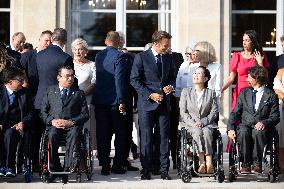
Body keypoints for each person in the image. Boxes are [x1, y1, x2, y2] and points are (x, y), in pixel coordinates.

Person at [130, 30, 175, 180]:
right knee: (147, 138)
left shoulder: (169, 58)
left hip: (164, 104)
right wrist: (150, 94)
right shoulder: (141, 57)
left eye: (168, 45)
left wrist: (171, 86)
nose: (167, 48)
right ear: (155, 43)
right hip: (146, 104)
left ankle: (163, 170)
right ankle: (146, 169)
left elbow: (172, 78)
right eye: (165, 45)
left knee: (163, 138)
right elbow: (134, 80)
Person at [40, 66, 89, 183]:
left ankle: (67, 168)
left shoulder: (78, 93)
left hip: (72, 126)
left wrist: (71, 122)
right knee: (51, 136)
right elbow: (43, 112)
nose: (70, 78)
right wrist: (52, 121)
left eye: (72, 76)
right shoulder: (50, 91)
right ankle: (55, 168)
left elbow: (85, 114)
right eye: (67, 76)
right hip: (54, 125)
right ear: (58, 77)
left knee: (74, 135)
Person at [227, 66, 279, 174]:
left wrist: (264, 122)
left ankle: (257, 163)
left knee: (258, 132)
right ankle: (245, 163)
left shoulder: (271, 95)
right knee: (243, 131)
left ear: (257, 79)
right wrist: (230, 128)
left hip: (263, 128)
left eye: (249, 77)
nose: (247, 79)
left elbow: (275, 116)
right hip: (245, 124)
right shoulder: (244, 93)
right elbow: (235, 112)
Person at [92, 31, 129, 175]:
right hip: (114, 100)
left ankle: (105, 165)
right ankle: (117, 165)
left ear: (106, 41)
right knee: (120, 133)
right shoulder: (120, 56)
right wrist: (121, 100)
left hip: (100, 99)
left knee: (103, 134)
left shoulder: (99, 56)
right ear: (118, 41)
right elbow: (119, 79)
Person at [179, 66, 218, 174]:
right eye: (195, 73)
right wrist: (194, 123)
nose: (195, 75)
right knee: (197, 131)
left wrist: (204, 122)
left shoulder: (211, 93)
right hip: (190, 124)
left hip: (207, 123)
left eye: (199, 73)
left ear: (205, 79)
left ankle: (209, 162)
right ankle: (202, 163)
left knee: (206, 131)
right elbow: (183, 112)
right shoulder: (186, 92)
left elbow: (214, 111)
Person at [221, 30, 270, 110]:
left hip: (255, 92)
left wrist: (260, 62)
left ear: (253, 42)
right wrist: (221, 89)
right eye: (243, 40)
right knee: (237, 118)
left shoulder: (260, 55)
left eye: (247, 40)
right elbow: (231, 78)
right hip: (240, 91)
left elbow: (265, 78)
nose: (244, 43)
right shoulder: (237, 56)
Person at [0, 66, 34, 177]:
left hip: (17, 127)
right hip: (1, 125)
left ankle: (9, 166)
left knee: (10, 134)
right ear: (10, 82)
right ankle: (1, 165)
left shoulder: (25, 93)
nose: (22, 82)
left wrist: (23, 122)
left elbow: (31, 113)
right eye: (20, 80)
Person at [71, 38, 96, 150]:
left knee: (86, 126)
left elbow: (94, 83)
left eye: (80, 49)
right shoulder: (69, 64)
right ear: (72, 50)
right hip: (71, 99)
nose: (78, 52)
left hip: (87, 99)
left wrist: (82, 94)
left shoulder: (92, 65)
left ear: (85, 51)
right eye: (75, 49)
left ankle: (87, 149)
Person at [273, 34, 284, 174]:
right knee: (281, 135)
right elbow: (276, 85)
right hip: (283, 105)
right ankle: (281, 164)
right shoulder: (281, 66)